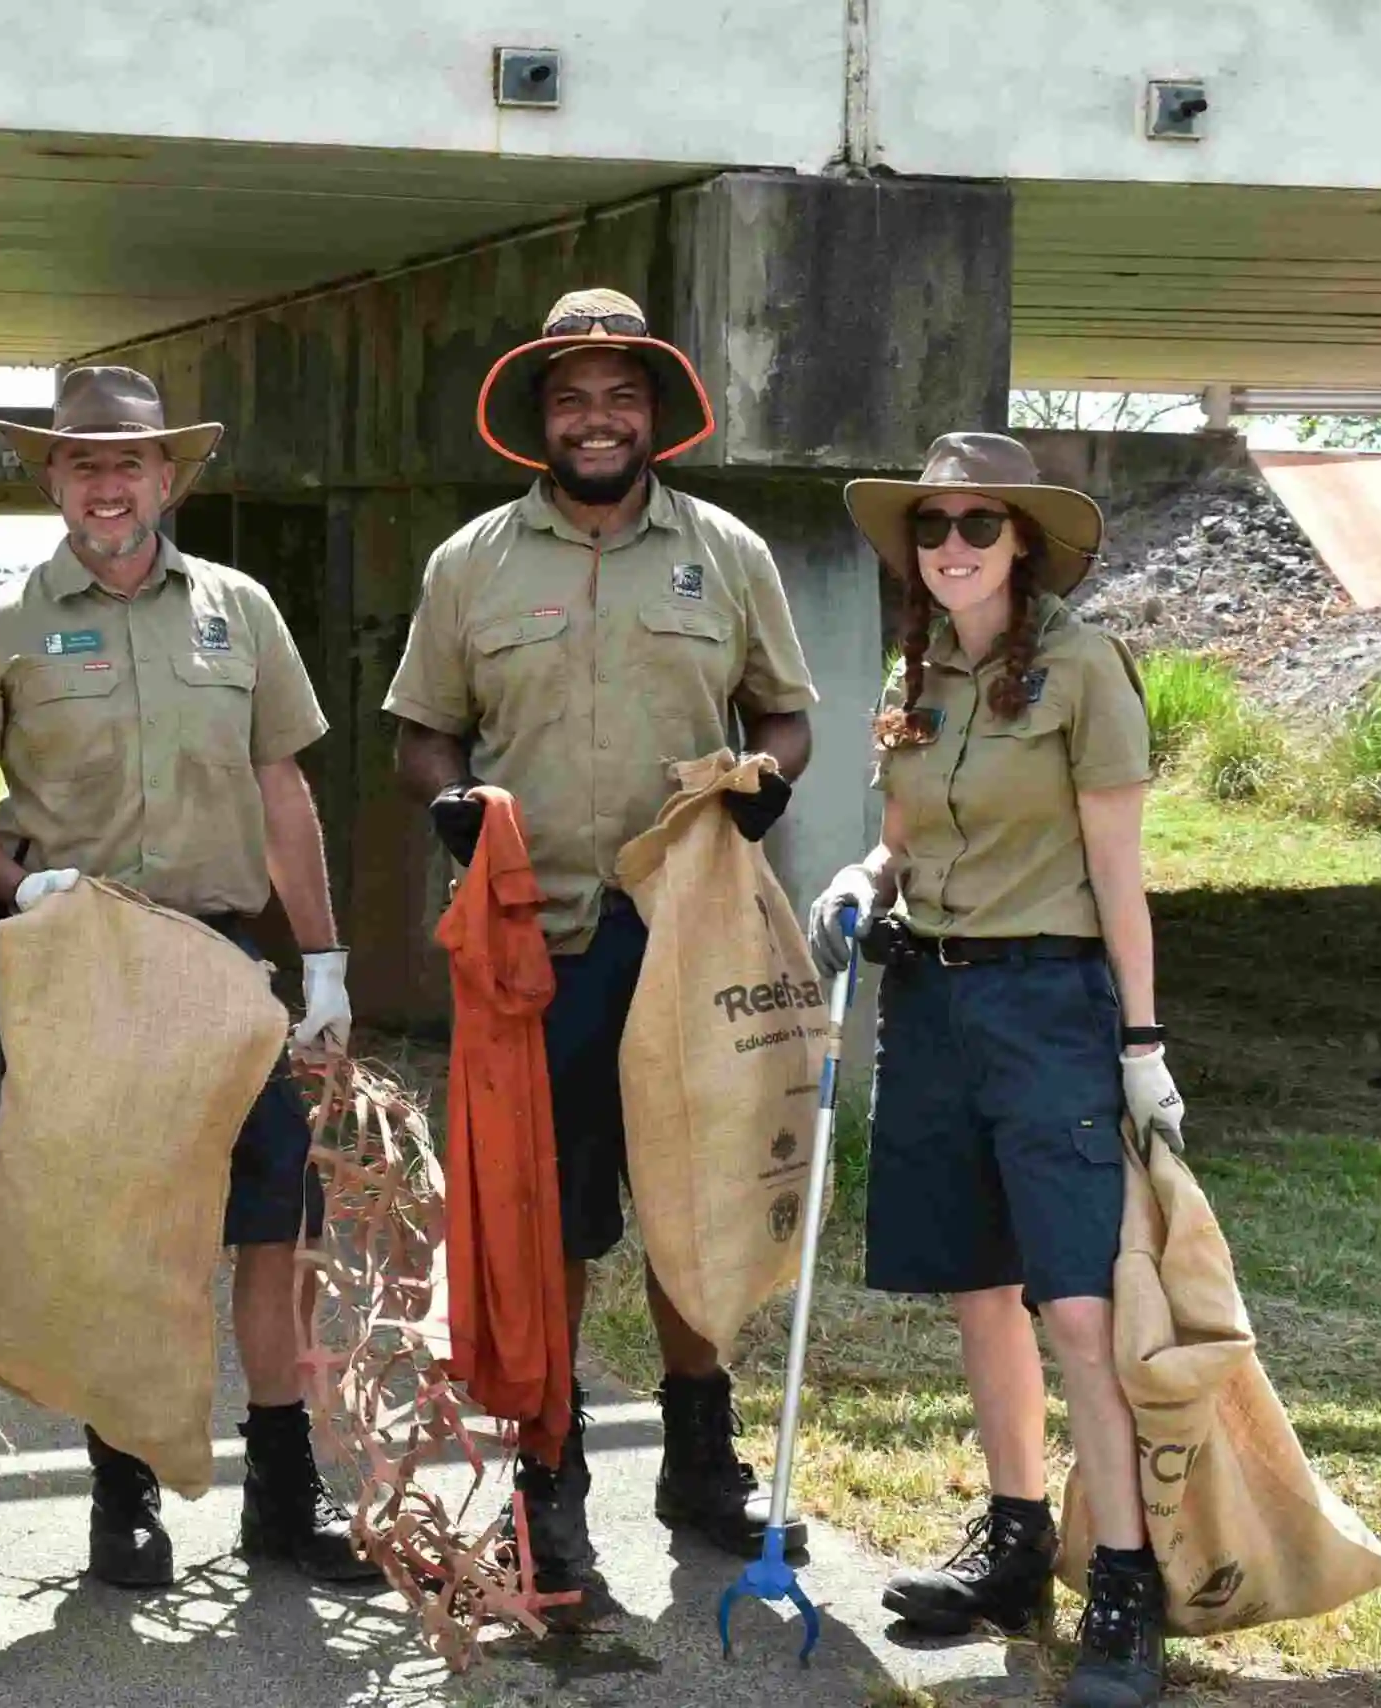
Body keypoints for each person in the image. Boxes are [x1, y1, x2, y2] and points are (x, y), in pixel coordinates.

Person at [383, 288, 820, 1595]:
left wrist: (766, 776)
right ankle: (551, 1477)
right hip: (538, 952)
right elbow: (422, 734)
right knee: (547, 1220)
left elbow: (787, 716)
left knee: (692, 1200)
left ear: (655, 416)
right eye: (572, 397)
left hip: (688, 946)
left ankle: (700, 1461)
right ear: (540, 420)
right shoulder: (469, 565)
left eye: (619, 395)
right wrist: (452, 805)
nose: (596, 418)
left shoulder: (729, 554)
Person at [0, 365, 376, 1590]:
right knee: (108, 1231)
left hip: (225, 963)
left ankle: (284, 1492)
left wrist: (320, 956)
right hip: (86, 965)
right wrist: (18, 889)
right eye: (82, 462)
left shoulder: (239, 610)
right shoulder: (0, 625)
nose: (107, 483)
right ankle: (120, 1499)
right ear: (51, 478)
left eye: (130, 462)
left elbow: (284, 790)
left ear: (169, 477)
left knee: (275, 1215)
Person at [805, 432, 1185, 1708]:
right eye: (932, 524)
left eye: (980, 521)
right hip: (934, 998)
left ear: (1022, 539)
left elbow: (1122, 873)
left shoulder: (1082, 669)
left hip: (1049, 1006)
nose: (953, 542)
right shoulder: (919, 671)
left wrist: (1141, 1044)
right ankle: (1017, 1545)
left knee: (1074, 1307)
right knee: (981, 1288)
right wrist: (862, 878)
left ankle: (1126, 1583)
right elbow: (902, 840)